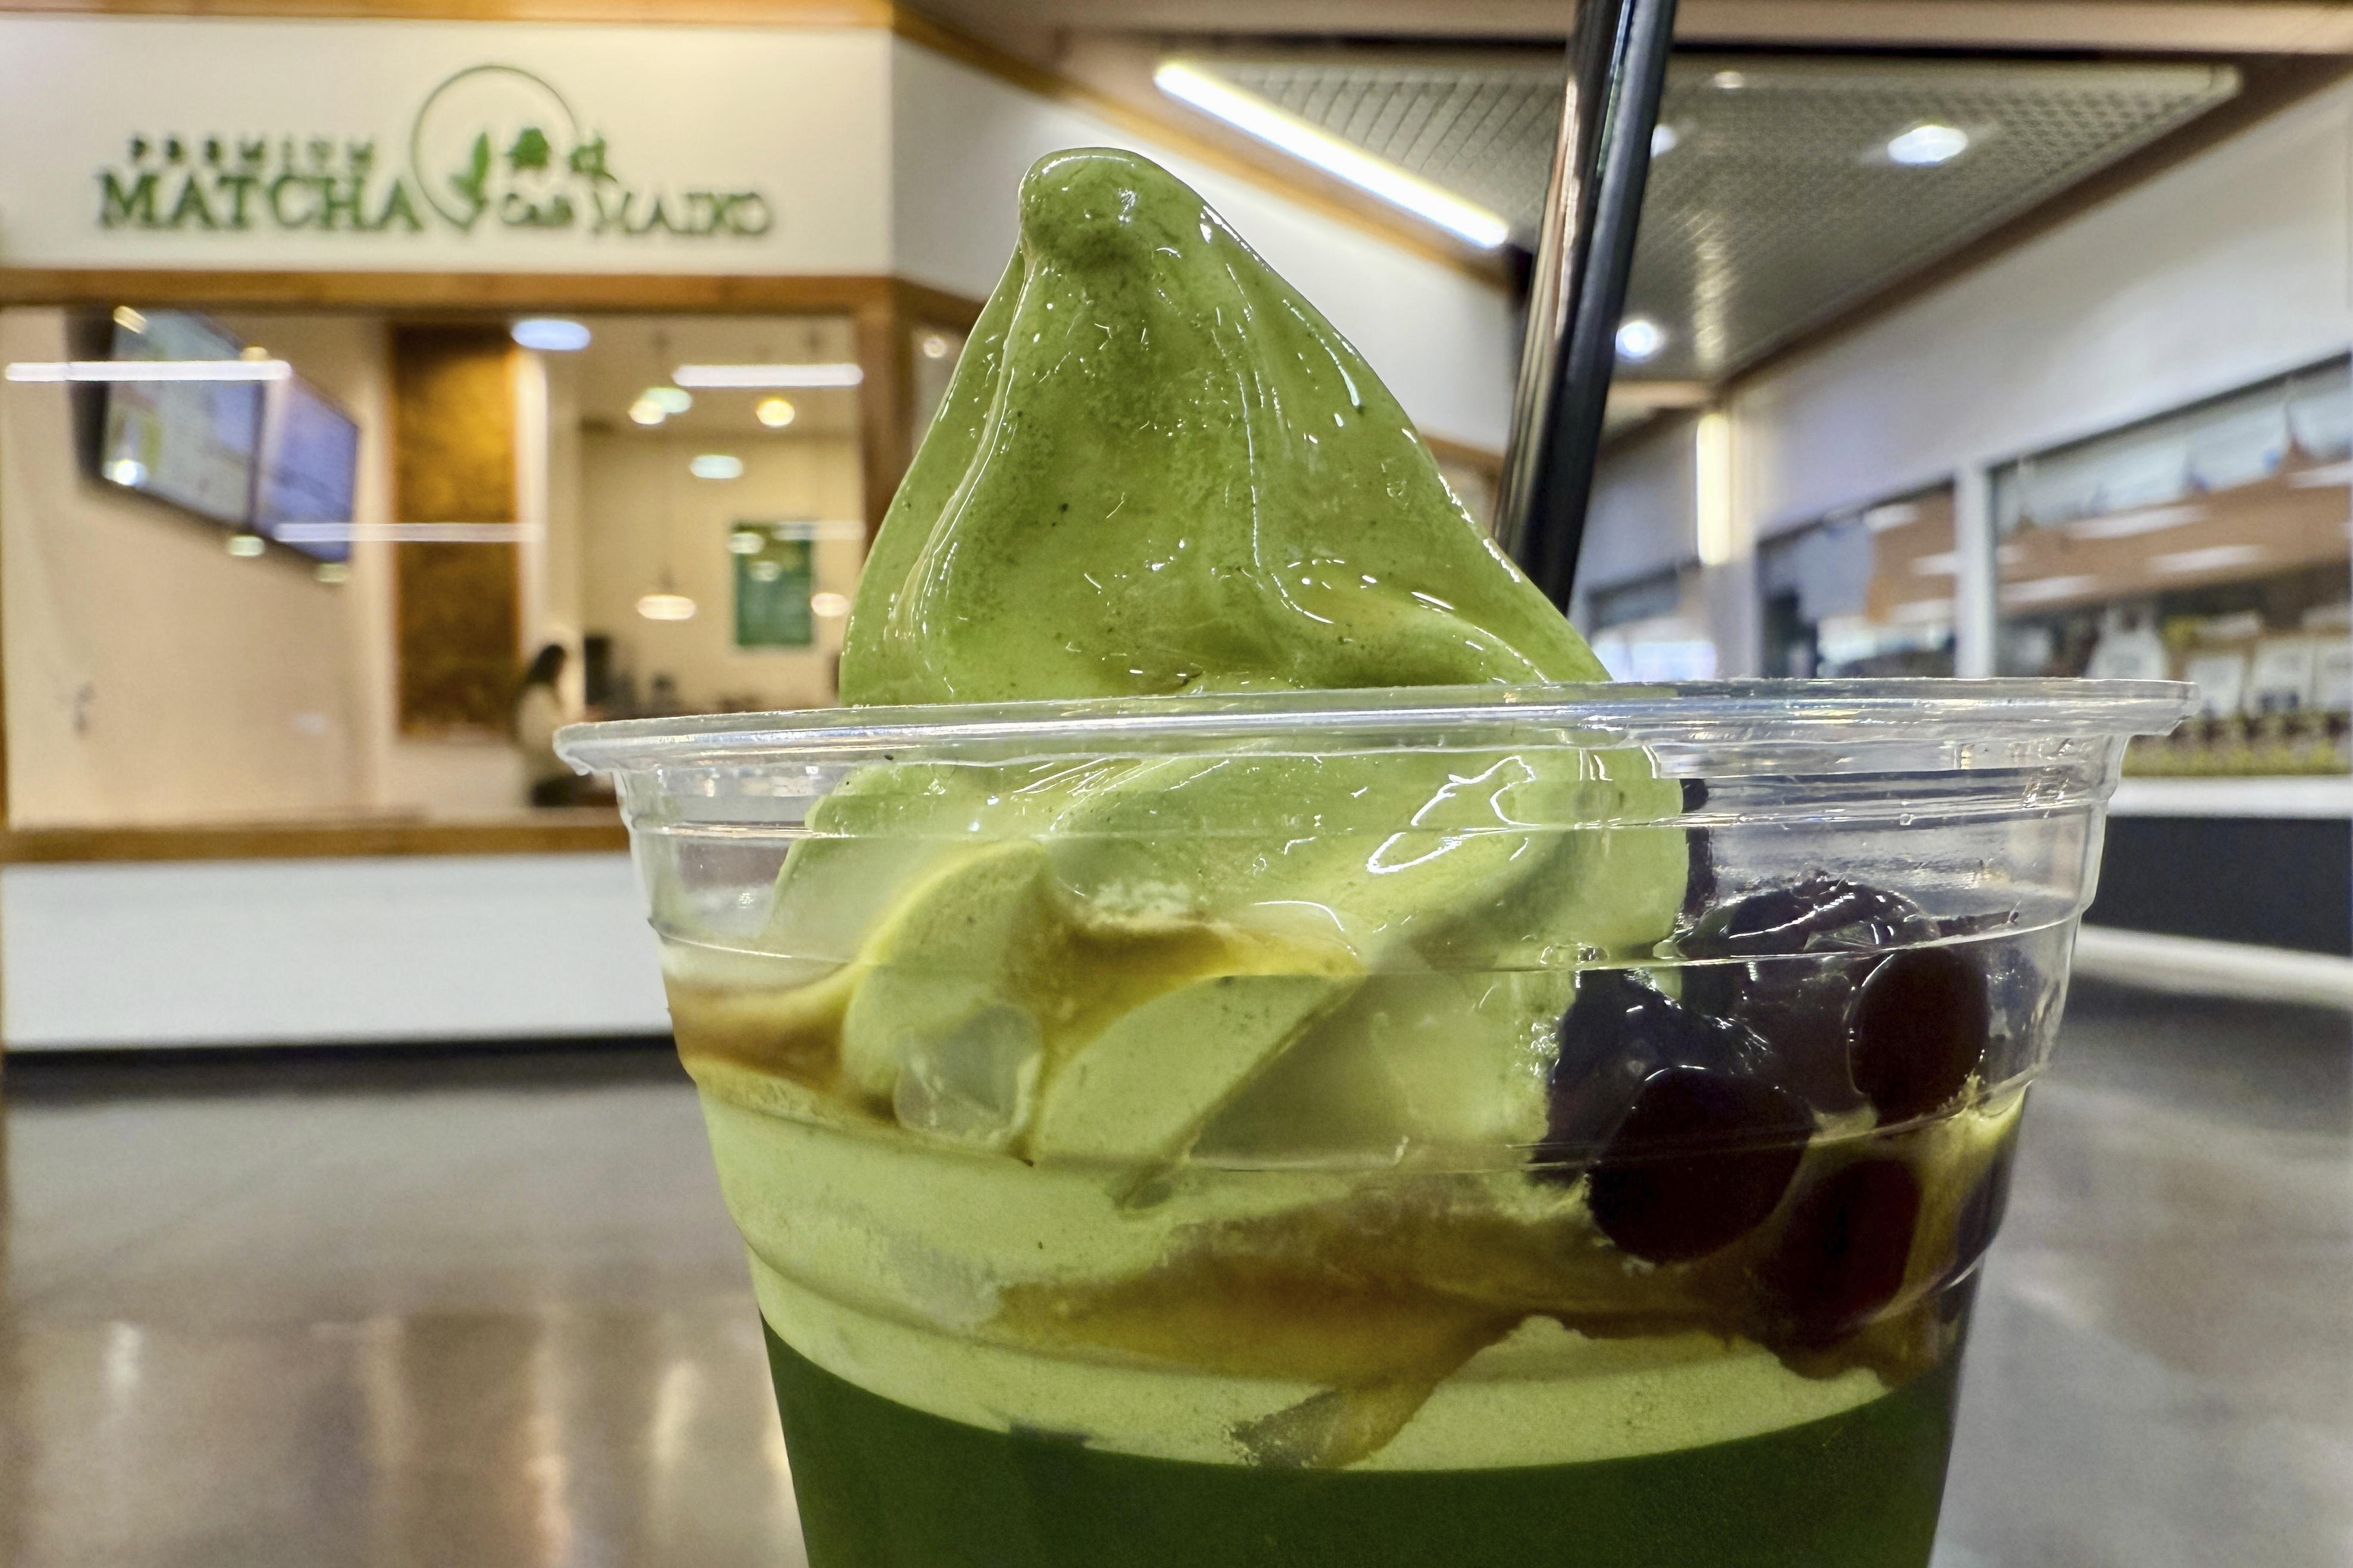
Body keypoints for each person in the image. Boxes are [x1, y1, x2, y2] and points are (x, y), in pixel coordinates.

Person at [516, 643, 584, 807]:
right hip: (547, 778)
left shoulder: (546, 696)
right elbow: (540, 739)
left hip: (554, 776)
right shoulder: (538, 697)